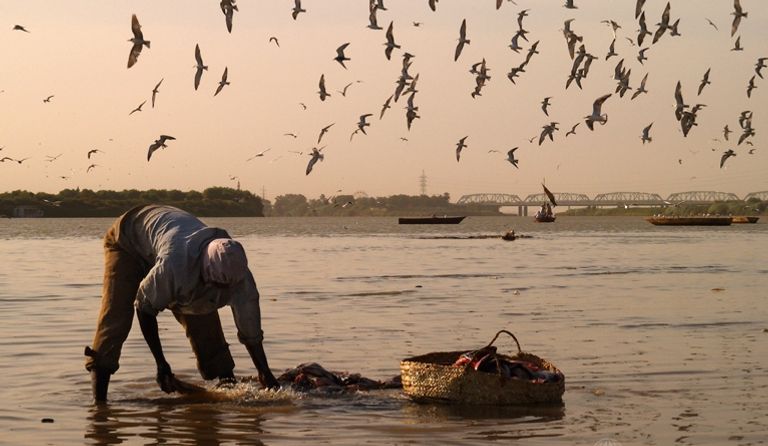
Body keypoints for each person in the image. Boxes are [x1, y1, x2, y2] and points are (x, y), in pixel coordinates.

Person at [85, 204, 279, 402]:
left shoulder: (241, 279)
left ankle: (227, 386)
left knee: (204, 315)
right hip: (127, 241)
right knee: (116, 316)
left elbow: (251, 332)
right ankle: (99, 404)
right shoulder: (175, 266)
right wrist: (161, 364)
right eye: (216, 284)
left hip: (167, 241)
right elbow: (144, 308)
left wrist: (265, 372)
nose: (221, 292)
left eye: (226, 288)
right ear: (205, 271)